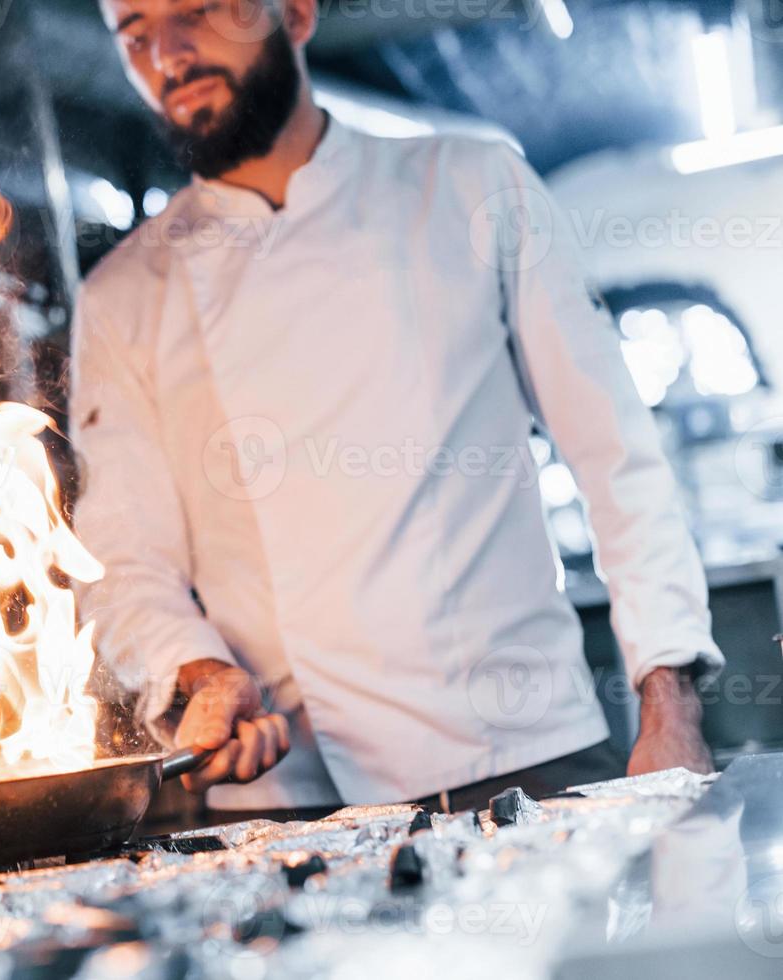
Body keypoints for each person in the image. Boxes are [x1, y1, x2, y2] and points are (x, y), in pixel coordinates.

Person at [70, 0, 722, 813]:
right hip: (285, 794)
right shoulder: (124, 296)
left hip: (517, 754)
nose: (168, 54)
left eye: (199, 11)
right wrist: (199, 671)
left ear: (297, 15)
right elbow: (123, 560)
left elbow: (616, 458)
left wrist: (670, 704)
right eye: (135, 33)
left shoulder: (474, 184)